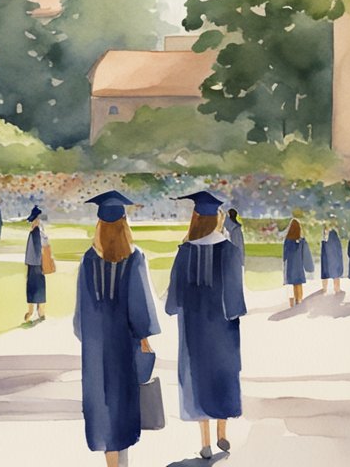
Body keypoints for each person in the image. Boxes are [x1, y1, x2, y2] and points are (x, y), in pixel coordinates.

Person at [74, 190, 160, 467]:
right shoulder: (134, 259)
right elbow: (140, 305)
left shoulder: (88, 260)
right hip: (124, 344)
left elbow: (80, 316)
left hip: (96, 348)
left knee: (101, 404)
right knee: (122, 404)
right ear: (125, 224)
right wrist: (144, 336)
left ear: (99, 225)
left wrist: (90, 336)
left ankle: (112, 462)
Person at [167, 191, 245, 458]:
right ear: (218, 219)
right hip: (222, 327)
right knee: (222, 376)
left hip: (193, 326)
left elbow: (173, 298)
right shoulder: (229, 251)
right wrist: (233, 313)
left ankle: (205, 442)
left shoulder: (185, 252)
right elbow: (235, 298)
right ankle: (222, 433)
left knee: (197, 378)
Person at [23, 206, 48, 322]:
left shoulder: (37, 231)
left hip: (36, 264)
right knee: (37, 287)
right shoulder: (38, 231)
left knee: (35, 287)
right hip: (35, 263)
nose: (32, 222)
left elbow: (38, 250)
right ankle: (38, 312)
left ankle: (35, 312)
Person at [282, 219, 314, 307]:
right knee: (298, 284)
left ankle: (291, 303)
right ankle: (299, 301)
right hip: (298, 266)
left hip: (290, 266)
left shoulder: (287, 241)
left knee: (290, 284)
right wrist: (309, 267)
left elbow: (284, 255)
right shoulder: (302, 241)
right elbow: (306, 255)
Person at [320, 224, 344, 294]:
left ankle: (325, 288)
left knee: (325, 274)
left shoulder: (325, 243)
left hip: (327, 261)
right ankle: (337, 288)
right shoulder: (336, 241)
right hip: (335, 261)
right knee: (335, 275)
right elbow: (339, 252)